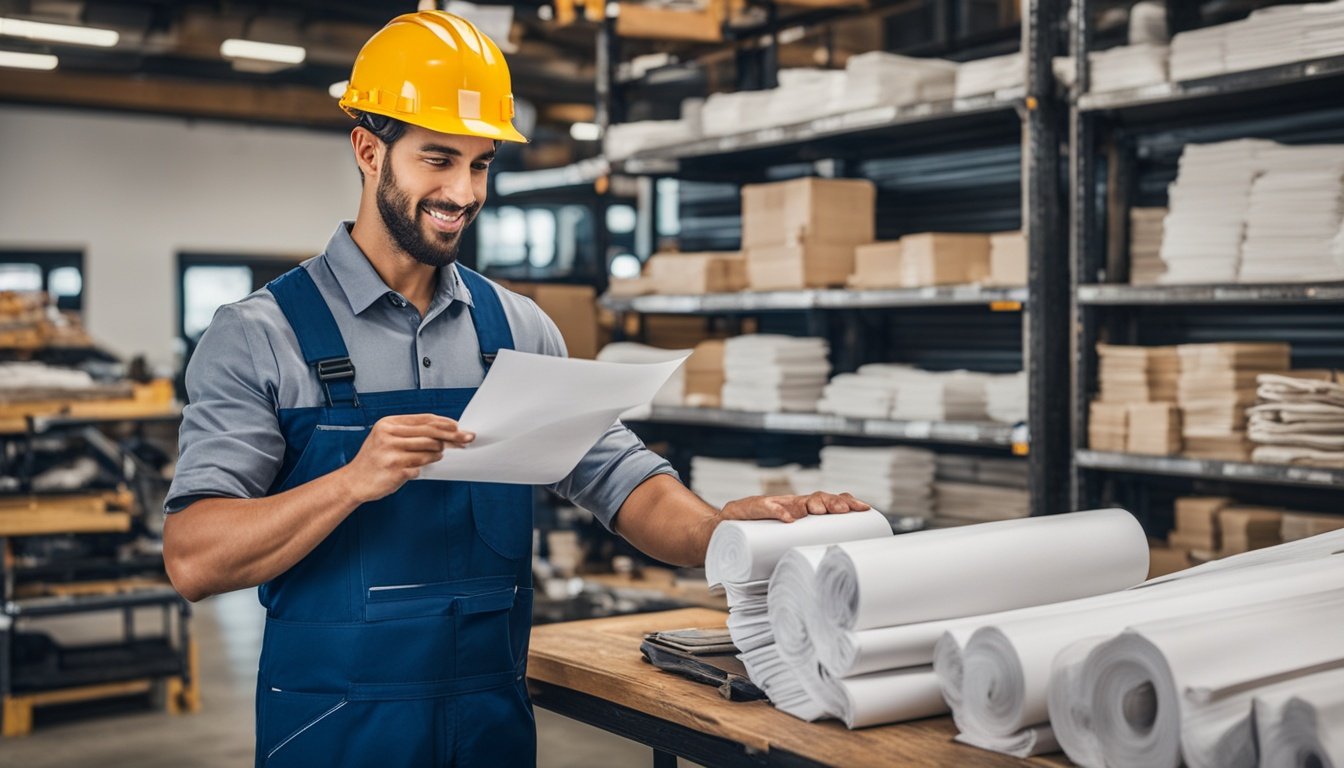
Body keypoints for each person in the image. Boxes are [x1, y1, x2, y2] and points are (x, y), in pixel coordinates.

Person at [162, 10, 869, 768]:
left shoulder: (518, 331)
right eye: (438, 159)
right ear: (369, 150)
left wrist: (725, 530)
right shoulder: (261, 335)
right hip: (334, 734)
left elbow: (619, 478)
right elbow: (195, 557)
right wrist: (350, 482)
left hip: (488, 730)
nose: (462, 192)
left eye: (481, 164)